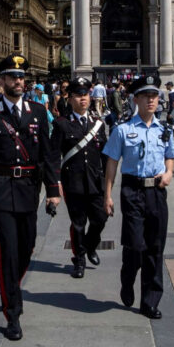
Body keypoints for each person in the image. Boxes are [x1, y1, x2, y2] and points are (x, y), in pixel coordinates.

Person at [0, 53, 61, 341]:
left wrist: (53, 191)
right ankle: (12, 312)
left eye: (22, 77)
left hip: (29, 188)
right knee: (7, 250)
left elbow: (48, 153)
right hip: (0, 188)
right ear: (2, 81)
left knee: (27, 246)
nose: (19, 81)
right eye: (13, 77)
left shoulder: (37, 110)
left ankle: (11, 289)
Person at [103, 76, 174, 320]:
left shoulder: (164, 129)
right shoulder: (123, 130)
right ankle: (127, 278)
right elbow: (112, 162)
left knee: (155, 247)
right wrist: (108, 195)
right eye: (146, 96)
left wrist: (169, 173)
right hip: (132, 190)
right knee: (135, 245)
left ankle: (150, 301)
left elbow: (170, 155)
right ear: (136, 99)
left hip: (156, 191)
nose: (151, 100)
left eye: (154, 96)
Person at [50, 78, 108, 279]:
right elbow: (53, 156)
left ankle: (90, 245)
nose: (83, 99)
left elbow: (105, 156)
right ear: (70, 98)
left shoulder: (98, 124)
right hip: (72, 180)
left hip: (95, 180)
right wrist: (54, 184)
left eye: (85, 95)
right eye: (78, 95)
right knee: (78, 223)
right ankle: (80, 258)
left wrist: (108, 184)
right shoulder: (62, 124)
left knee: (100, 218)